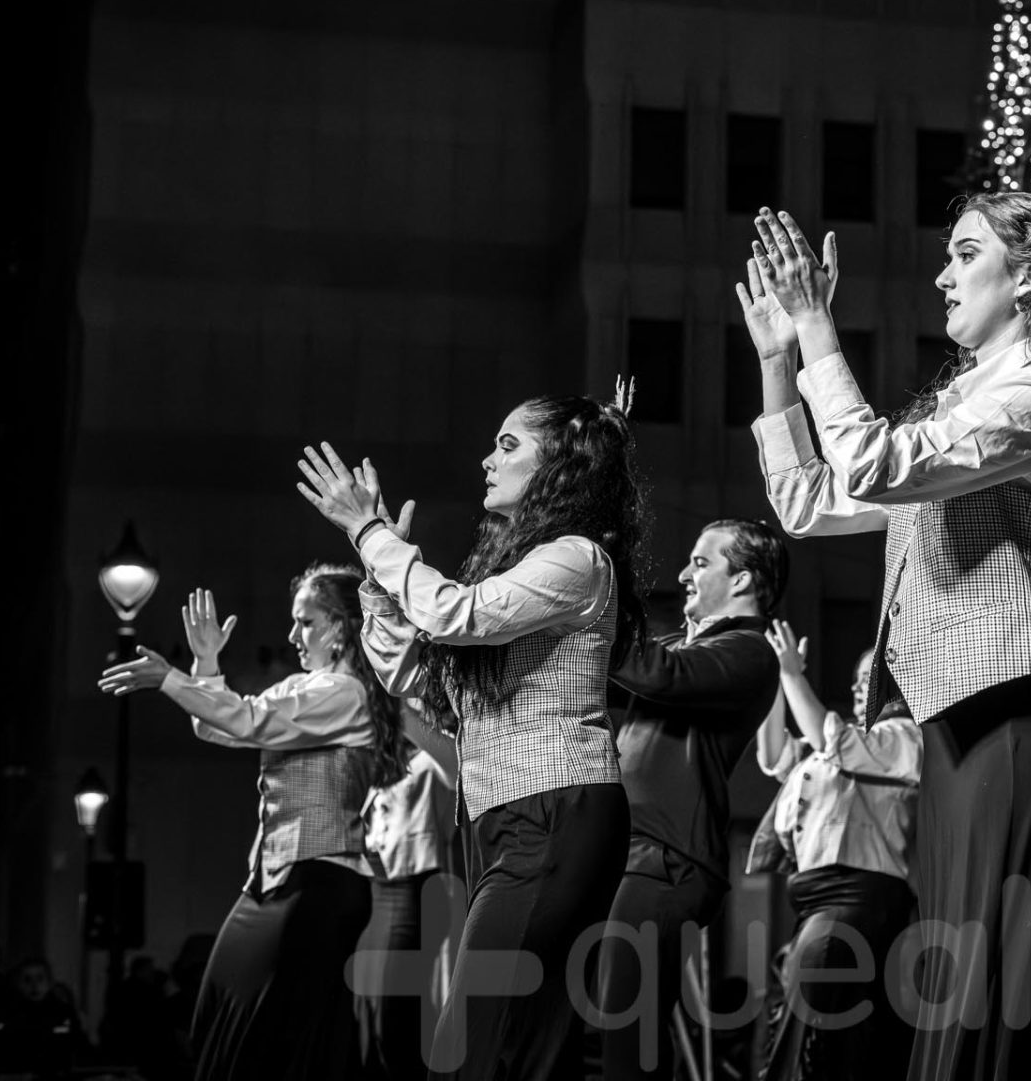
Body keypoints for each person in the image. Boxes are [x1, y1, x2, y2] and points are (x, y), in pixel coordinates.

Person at [737, 195, 1031, 1079]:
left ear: (1027, 278)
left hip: (1023, 720)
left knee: (998, 1001)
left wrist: (819, 326)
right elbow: (809, 502)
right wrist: (778, 359)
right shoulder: (967, 404)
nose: (942, 276)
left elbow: (874, 462)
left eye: (965, 254)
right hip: (959, 730)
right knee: (969, 997)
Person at [296, 393, 646, 1081]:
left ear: (560, 464)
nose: (488, 459)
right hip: (513, 821)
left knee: (473, 1048)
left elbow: (454, 614)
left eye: (509, 445)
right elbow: (414, 676)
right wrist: (378, 582)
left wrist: (370, 532)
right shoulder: (526, 569)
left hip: (556, 812)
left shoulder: (577, 560)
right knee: (525, 1052)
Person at [98, 571, 403, 1081]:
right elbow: (219, 725)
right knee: (220, 1015)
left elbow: (247, 719)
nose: (293, 635)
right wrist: (206, 663)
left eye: (306, 622)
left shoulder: (346, 694)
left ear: (340, 628)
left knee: (273, 1042)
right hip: (275, 881)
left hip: (321, 883)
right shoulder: (302, 687)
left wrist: (170, 678)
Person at [596, 518, 787, 1080]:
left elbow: (662, 675)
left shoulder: (751, 650)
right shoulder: (681, 645)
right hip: (632, 851)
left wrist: (597, 587)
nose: (683, 574)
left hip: (667, 857)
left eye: (701, 563)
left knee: (629, 1033)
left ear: (743, 580)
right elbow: (611, 673)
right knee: (617, 1027)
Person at [749, 631, 921, 1081]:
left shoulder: (903, 740)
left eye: (871, 676)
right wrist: (778, 679)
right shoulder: (844, 745)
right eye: (857, 678)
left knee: (815, 1040)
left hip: (858, 900)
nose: (859, 686)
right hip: (818, 904)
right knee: (809, 1035)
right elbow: (775, 755)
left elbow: (834, 742)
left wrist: (793, 676)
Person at [354, 699, 461, 1081]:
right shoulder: (388, 760)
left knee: (395, 1013)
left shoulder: (438, 747)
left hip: (415, 888)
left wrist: (403, 711)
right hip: (377, 892)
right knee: (369, 1014)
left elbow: (457, 771)